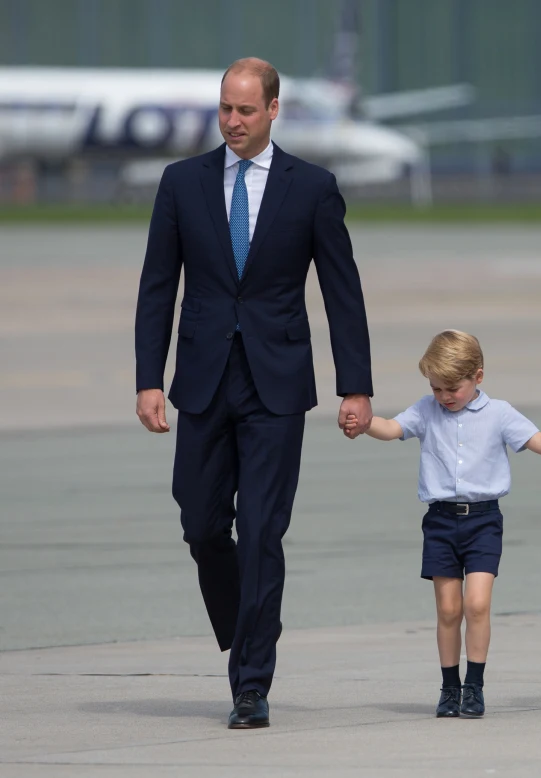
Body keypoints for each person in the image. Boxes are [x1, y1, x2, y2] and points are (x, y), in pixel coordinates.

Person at [134, 58, 373, 729]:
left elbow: (341, 291)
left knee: (264, 530)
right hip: (204, 380)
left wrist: (354, 386)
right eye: (225, 109)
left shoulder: (313, 188)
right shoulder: (182, 183)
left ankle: (251, 683)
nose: (233, 122)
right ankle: (245, 627)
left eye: (245, 110)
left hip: (277, 382)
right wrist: (148, 378)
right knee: (202, 523)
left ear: (274, 110)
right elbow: (158, 287)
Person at [345, 330, 541, 718]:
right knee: (448, 609)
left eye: (452, 388)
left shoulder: (499, 414)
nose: (444, 396)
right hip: (441, 522)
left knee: (477, 604)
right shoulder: (427, 410)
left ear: (478, 377)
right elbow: (393, 428)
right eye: (436, 387)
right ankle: (449, 688)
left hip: (483, 521)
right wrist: (364, 423)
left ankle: (474, 687)